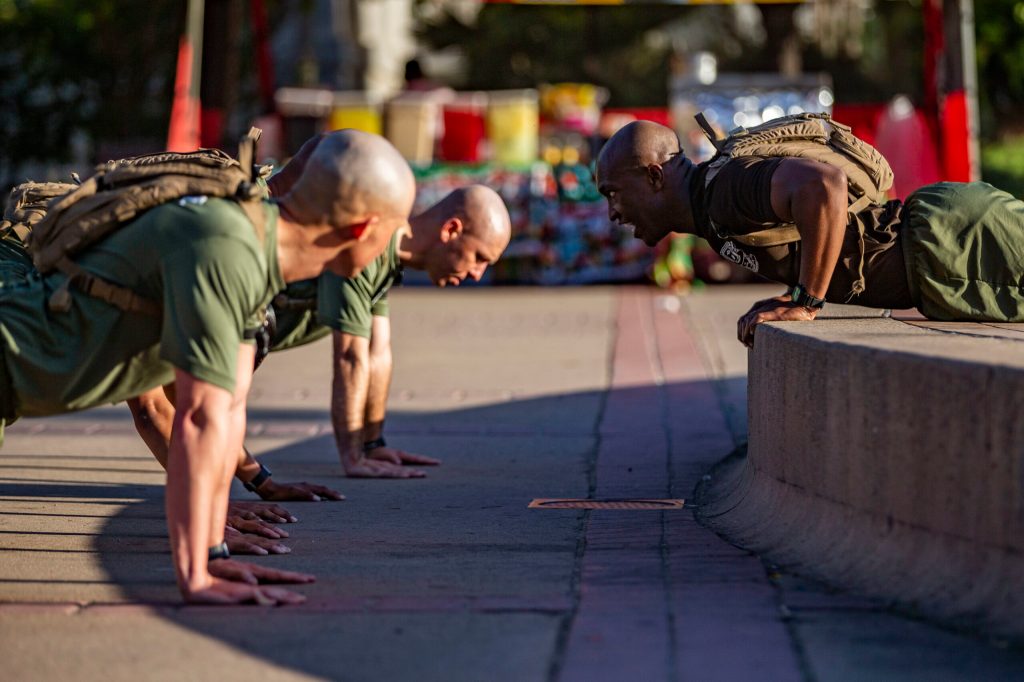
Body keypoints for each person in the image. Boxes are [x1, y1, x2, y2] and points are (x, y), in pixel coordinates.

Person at [0, 129, 416, 604]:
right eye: (396, 228)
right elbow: (197, 416)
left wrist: (215, 546)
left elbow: (226, 409)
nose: (399, 242)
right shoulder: (227, 245)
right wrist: (196, 573)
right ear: (363, 229)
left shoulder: (257, 245)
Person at [128, 183, 512, 530]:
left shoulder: (361, 256)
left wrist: (260, 481)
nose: (335, 266)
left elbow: (376, 352)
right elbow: (159, 404)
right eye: (479, 258)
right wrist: (213, 520)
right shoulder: (213, 263)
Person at [596, 120, 1024, 346]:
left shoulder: (723, 191)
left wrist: (807, 301)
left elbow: (822, 186)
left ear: (654, 177)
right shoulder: (713, 207)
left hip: (957, 241)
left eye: (613, 193)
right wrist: (794, 290)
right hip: (943, 253)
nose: (613, 212)